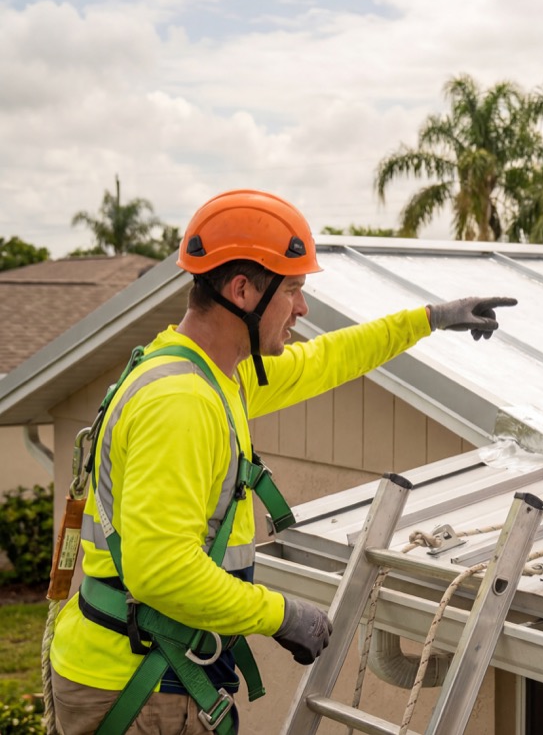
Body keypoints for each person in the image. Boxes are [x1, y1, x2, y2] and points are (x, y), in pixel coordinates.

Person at [48, 189, 517, 734]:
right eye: (292, 289)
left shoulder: (214, 372)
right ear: (242, 290)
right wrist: (282, 615)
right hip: (138, 687)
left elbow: (326, 359)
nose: (302, 308)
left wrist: (430, 318)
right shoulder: (180, 403)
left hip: (147, 670)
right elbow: (162, 571)